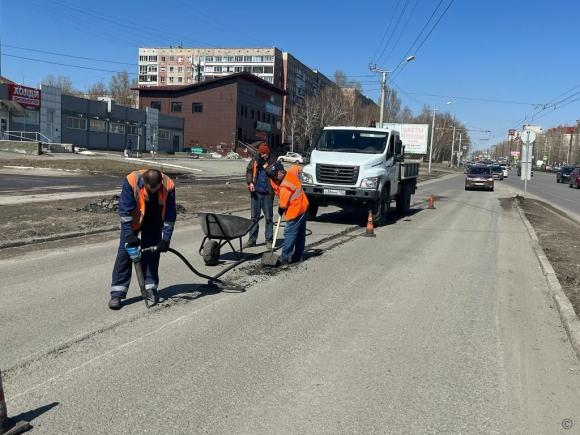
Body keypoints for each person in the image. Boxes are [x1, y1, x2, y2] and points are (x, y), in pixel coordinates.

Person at [108, 168, 176, 310]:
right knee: (125, 253)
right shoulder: (131, 180)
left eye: (155, 189)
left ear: (160, 184)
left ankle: (151, 289)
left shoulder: (168, 185)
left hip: (154, 218)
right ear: (143, 182)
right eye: (148, 189)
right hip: (134, 218)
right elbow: (124, 211)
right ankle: (117, 293)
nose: (151, 191)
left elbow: (170, 215)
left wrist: (166, 239)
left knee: (152, 253)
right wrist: (129, 235)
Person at [266, 162, 309, 264]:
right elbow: (297, 168)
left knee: (290, 233)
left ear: (281, 172)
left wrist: (281, 209)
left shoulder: (285, 185)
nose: (274, 178)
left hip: (296, 210)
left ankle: (285, 257)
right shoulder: (290, 173)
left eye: (275, 176)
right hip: (304, 207)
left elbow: (283, 204)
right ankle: (298, 256)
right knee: (300, 234)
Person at [245, 142, 276, 249]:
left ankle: (269, 240)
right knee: (254, 218)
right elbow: (249, 171)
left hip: (267, 194)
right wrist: (250, 183)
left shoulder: (273, 161)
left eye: (264, 154)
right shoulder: (255, 160)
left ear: (268, 153)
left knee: (268, 218)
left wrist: (266, 166)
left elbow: (275, 174)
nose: (262, 155)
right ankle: (252, 240)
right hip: (256, 193)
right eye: (261, 153)